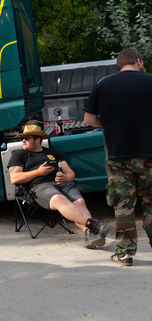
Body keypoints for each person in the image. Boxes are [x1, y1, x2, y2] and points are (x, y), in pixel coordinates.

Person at [84, 48, 152, 267]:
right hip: (150, 155)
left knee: (124, 205)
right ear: (139, 61)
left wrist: (110, 124)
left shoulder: (104, 84)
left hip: (117, 157)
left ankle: (125, 253)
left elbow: (88, 118)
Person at [8, 121, 109, 248]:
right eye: (22, 138)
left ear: (37, 139)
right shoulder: (20, 154)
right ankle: (93, 224)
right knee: (59, 199)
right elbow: (14, 178)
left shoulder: (53, 153)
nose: (23, 141)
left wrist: (66, 177)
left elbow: (71, 174)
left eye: (26, 138)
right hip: (40, 187)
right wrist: (38, 172)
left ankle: (90, 235)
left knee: (80, 203)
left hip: (63, 184)